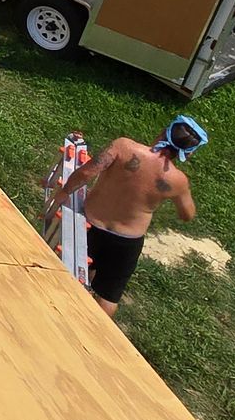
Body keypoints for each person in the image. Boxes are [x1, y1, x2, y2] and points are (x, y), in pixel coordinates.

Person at [48, 116, 207, 315]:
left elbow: (87, 173)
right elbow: (187, 214)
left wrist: (64, 192)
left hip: (90, 223)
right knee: (108, 295)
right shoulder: (177, 180)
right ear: (188, 154)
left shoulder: (123, 147)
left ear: (164, 132)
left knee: (72, 267)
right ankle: (95, 333)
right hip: (126, 241)